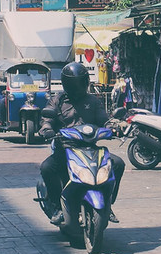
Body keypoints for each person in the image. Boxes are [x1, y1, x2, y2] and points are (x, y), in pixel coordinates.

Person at [38, 62, 124, 224]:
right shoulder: (57, 101)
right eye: (75, 83)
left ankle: (107, 203)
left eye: (81, 82)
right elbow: (46, 120)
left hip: (90, 149)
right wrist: (47, 129)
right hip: (65, 150)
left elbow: (103, 120)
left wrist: (112, 127)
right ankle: (56, 206)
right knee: (47, 168)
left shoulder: (92, 101)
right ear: (67, 84)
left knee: (117, 164)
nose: (79, 86)